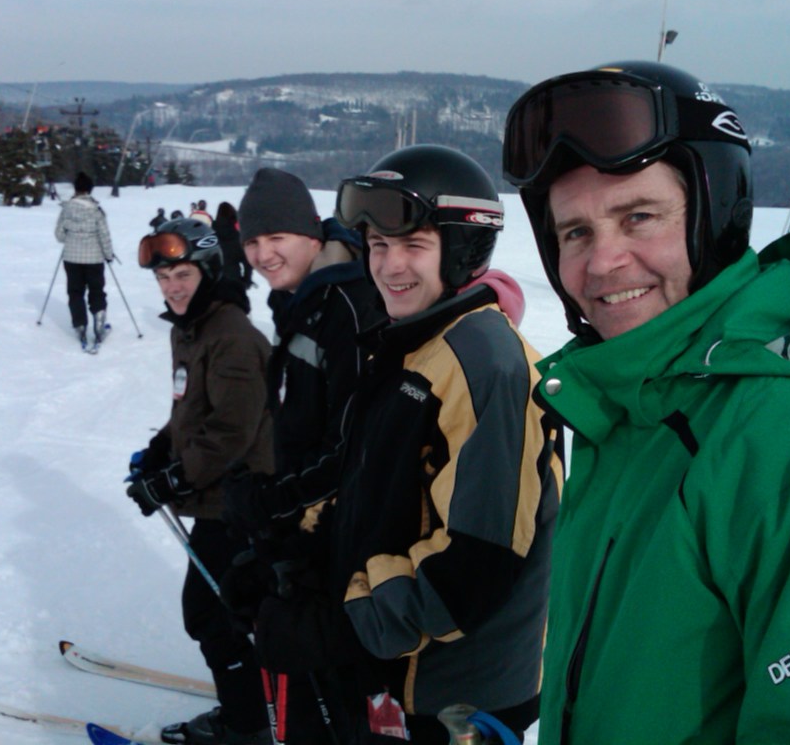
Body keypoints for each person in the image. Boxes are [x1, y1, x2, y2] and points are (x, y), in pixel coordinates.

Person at [501, 60, 790, 744]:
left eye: (639, 217)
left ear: (715, 215)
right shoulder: (630, 409)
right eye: (575, 232)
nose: (602, 262)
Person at [240, 146, 562, 744]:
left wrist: (343, 625)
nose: (389, 266)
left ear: (462, 249)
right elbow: (373, 479)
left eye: (414, 245)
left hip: (459, 695)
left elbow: (477, 562)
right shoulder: (414, 345)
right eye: (378, 245)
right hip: (405, 667)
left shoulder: (486, 365)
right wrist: (304, 546)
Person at [221, 167, 382, 742]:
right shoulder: (302, 300)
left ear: (312, 234)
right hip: (307, 531)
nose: (263, 254)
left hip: (342, 547)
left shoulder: (346, 303)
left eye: (277, 237)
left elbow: (351, 444)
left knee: (338, 698)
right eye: (252, 241)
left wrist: (273, 505)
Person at [128, 217, 275, 745]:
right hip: (217, 497)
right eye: (163, 278)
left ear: (209, 271)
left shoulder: (231, 337)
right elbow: (190, 409)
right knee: (223, 613)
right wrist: (159, 451)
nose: (172, 288)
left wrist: (173, 479)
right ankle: (253, 704)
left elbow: (232, 430)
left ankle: (247, 725)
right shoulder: (190, 329)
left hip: (240, 501)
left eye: (183, 275)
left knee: (212, 615)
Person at [53, 172, 114, 347]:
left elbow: (59, 235)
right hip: (94, 259)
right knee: (97, 291)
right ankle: (99, 326)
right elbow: (104, 235)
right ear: (90, 189)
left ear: (76, 188)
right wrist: (108, 255)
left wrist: (71, 237)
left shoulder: (66, 209)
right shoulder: (96, 210)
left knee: (75, 292)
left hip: (71, 258)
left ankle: (80, 326)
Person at [212, 200, 253, 296]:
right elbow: (247, 262)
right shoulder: (238, 237)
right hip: (234, 281)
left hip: (214, 282)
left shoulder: (211, 235)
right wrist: (246, 280)